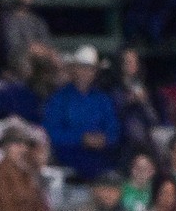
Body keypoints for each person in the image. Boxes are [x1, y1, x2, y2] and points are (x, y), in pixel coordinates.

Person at [43, 45, 120, 182]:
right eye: (82, 68)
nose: (86, 72)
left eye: (90, 69)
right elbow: (51, 132)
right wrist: (81, 139)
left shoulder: (103, 99)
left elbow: (114, 129)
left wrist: (104, 139)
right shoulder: (59, 99)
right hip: (70, 156)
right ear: (74, 70)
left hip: (101, 155)